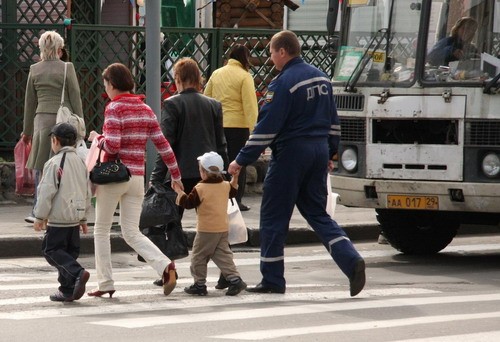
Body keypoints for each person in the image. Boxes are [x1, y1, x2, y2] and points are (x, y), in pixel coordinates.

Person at [228, 30, 366, 297]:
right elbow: (334, 121)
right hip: (317, 152)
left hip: (291, 155)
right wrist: (331, 154)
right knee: (317, 213)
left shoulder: (283, 83)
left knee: (273, 216)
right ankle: (351, 260)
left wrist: (240, 160)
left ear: (282, 51)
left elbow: (267, 127)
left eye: (271, 53)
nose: (271, 59)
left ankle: (272, 279)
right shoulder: (322, 78)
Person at [87, 63, 183, 298]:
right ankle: (165, 266)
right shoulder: (145, 109)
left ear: (112, 84)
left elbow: (112, 145)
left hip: (114, 177)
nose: (106, 89)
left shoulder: (114, 108)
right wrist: (176, 176)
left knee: (101, 230)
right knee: (131, 231)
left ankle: (106, 282)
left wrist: (97, 139)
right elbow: (164, 146)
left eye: (106, 84)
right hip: (137, 177)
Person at [149, 57, 228, 287]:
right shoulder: (214, 105)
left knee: (172, 225)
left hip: (180, 175)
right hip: (210, 174)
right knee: (216, 224)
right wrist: (224, 173)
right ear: (198, 78)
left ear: (178, 79)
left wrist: (156, 177)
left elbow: (167, 144)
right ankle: (226, 274)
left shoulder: (172, 104)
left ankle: (169, 271)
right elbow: (220, 143)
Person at [22, 30, 84, 224]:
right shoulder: (67, 68)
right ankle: (61, 208)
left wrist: (27, 132)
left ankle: (37, 210)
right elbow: (75, 97)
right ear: (59, 49)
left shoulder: (34, 69)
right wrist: (80, 124)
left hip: (41, 122)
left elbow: (29, 104)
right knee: (62, 164)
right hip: (62, 122)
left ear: (41, 48)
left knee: (42, 168)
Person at [174, 151, 247, 296]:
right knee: (223, 256)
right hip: (222, 228)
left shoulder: (200, 188)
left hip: (206, 230)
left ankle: (199, 284)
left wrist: (178, 191)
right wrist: (235, 178)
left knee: (198, 257)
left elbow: (187, 203)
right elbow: (233, 191)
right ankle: (235, 279)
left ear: (204, 172)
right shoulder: (225, 185)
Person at [33, 122, 91, 302]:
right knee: (68, 254)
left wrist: (40, 216)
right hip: (75, 218)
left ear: (55, 140)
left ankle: (77, 273)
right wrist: (83, 218)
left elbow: (46, 192)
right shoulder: (81, 163)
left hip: (59, 218)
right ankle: (67, 289)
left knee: (51, 250)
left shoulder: (54, 163)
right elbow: (87, 191)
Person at [204, 44, 258, 212]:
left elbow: (207, 98)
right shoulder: (245, 76)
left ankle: (217, 198)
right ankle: (235, 200)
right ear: (245, 59)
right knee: (237, 164)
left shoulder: (216, 73)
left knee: (219, 163)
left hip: (219, 125)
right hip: (238, 127)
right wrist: (255, 131)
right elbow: (250, 105)